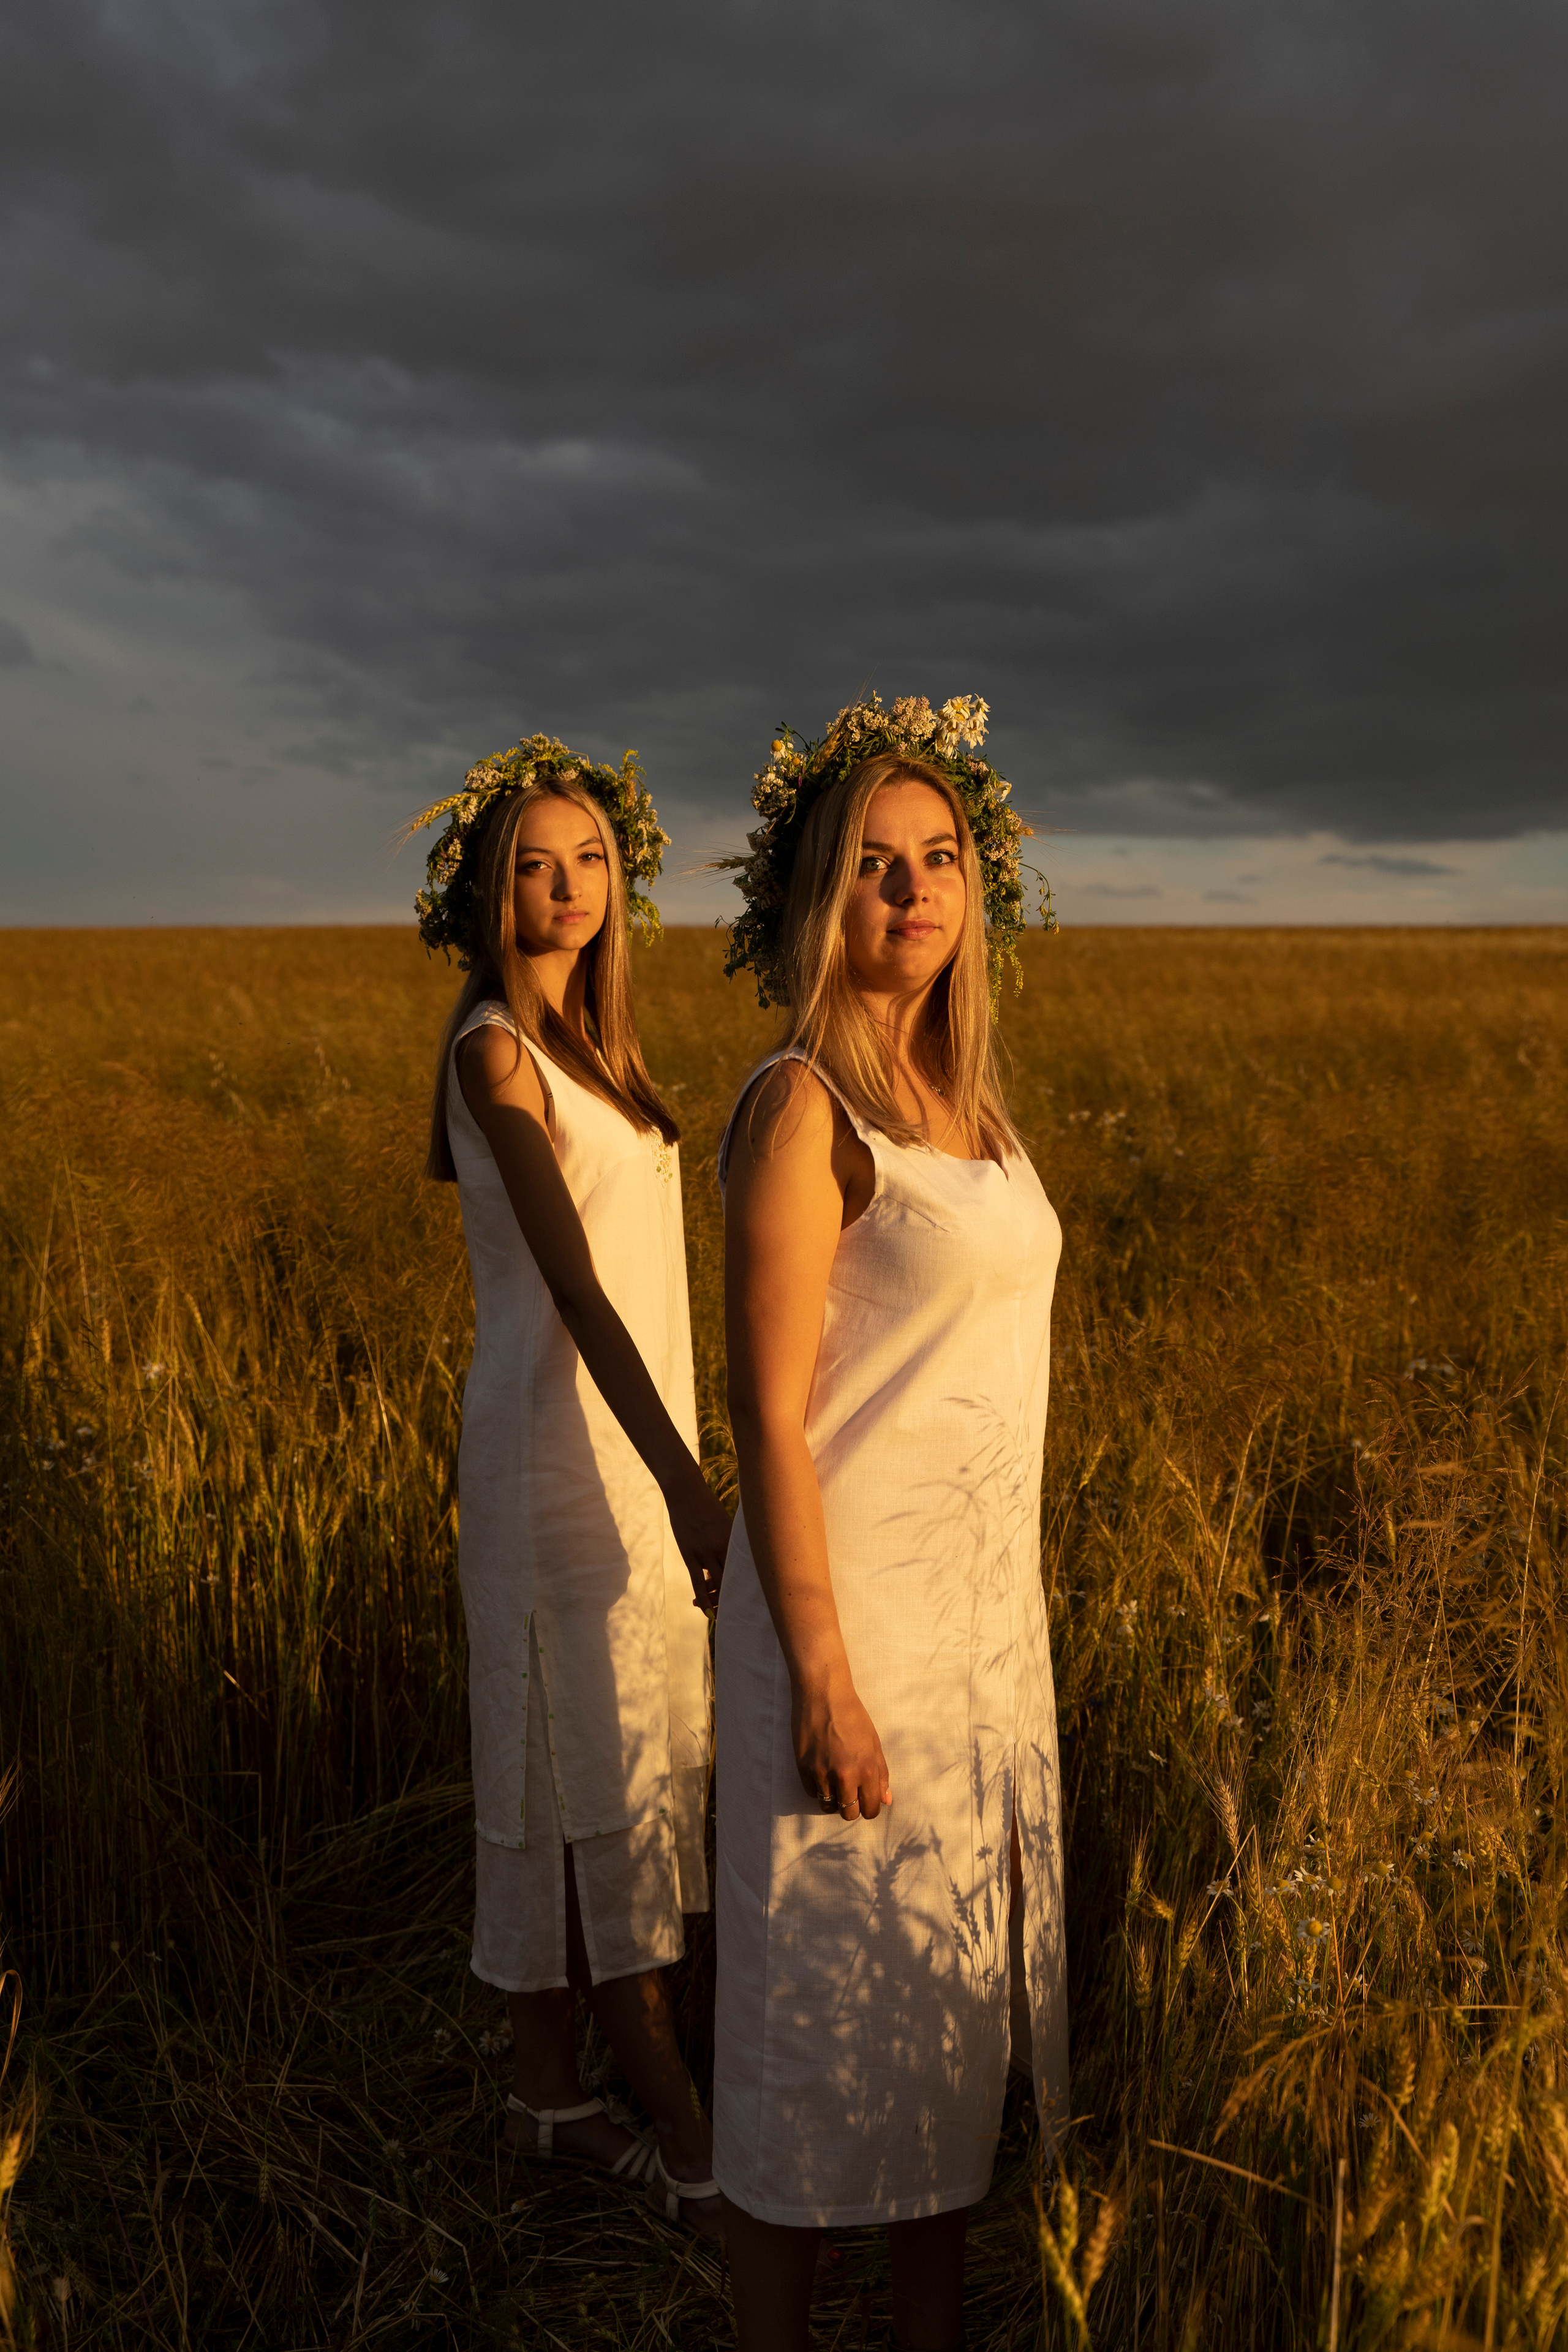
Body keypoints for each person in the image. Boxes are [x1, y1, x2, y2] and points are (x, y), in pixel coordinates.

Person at [713, 697, 1068, 2348]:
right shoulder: (802, 1108)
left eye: (938, 859)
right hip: (845, 1629)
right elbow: (767, 1417)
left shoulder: (976, 1110)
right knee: (807, 2032)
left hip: (977, 1636)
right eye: (873, 862)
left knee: (939, 2019)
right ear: (817, 895)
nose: (912, 890)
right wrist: (822, 1678)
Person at [409, 736, 731, 2236]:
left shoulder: (602, 1050)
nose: (566, 887)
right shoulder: (494, 1054)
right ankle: (686, 2132)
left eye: (590, 858)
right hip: (560, 1465)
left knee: (601, 1772)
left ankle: (544, 2096)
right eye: (533, 866)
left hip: (625, 1451)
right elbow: (579, 1292)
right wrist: (686, 1487)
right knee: (589, 1781)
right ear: (487, 893)